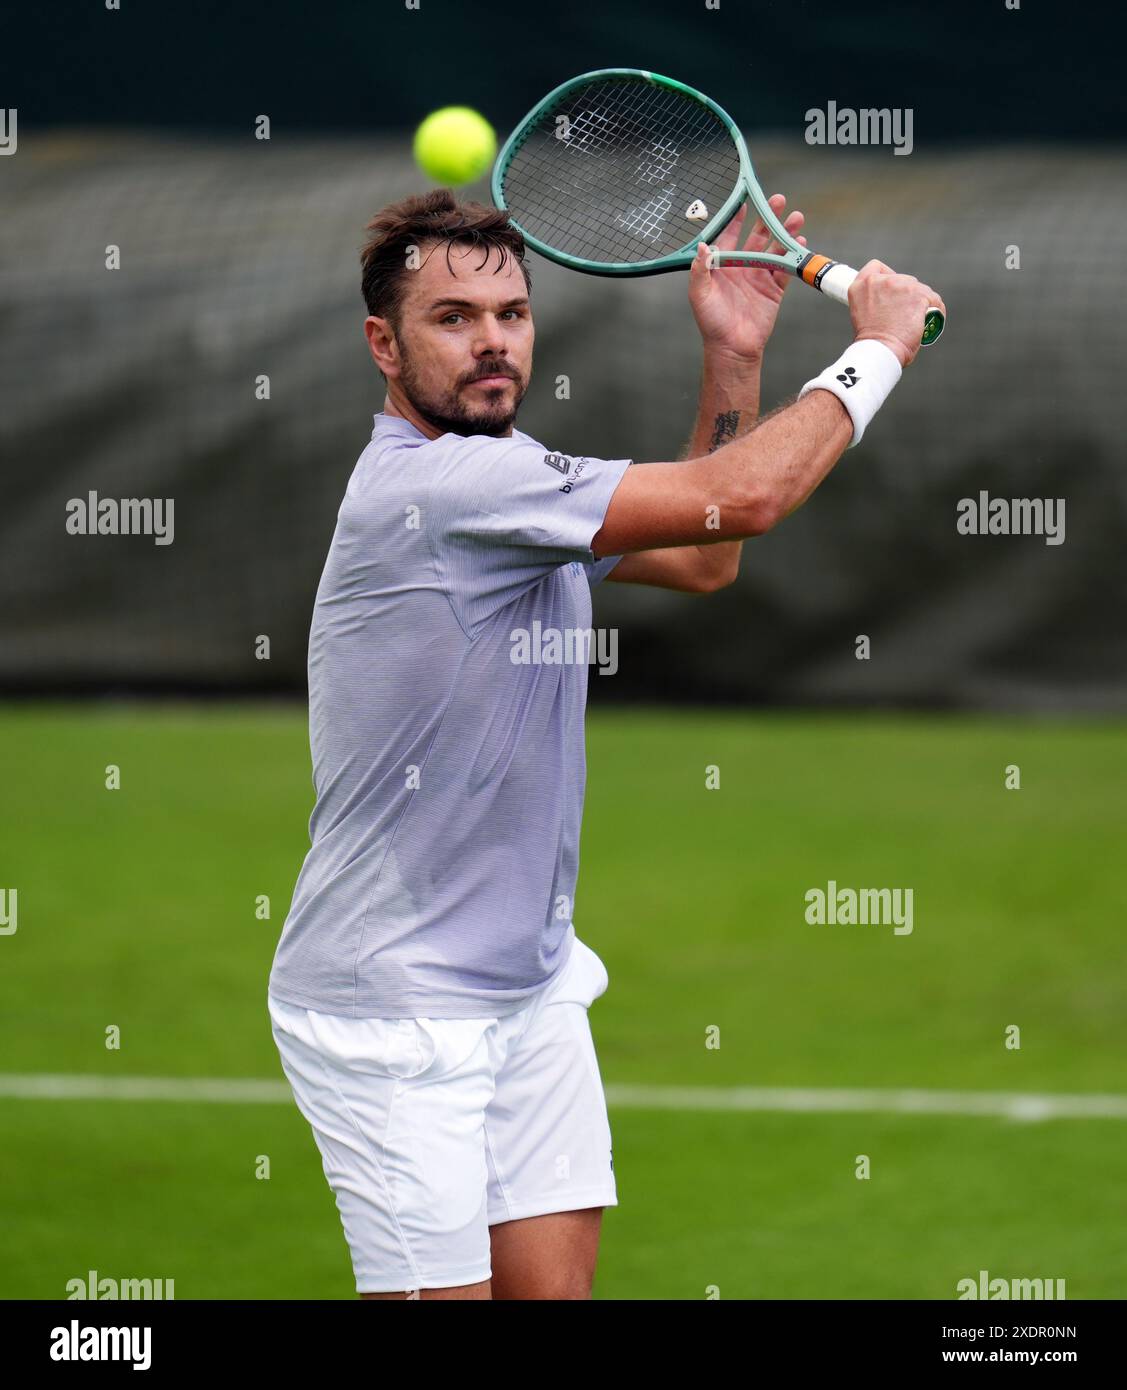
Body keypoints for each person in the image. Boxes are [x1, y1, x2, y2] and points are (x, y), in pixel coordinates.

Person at [268, 188, 943, 1299]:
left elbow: (704, 558)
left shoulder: (509, 477)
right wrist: (875, 347)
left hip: (525, 989)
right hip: (391, 1011)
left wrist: (732, 353)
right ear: (382, 345)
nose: (493, 340)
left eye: (512, 313)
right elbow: (748, 497)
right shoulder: (445, 490)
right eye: (453, 318)